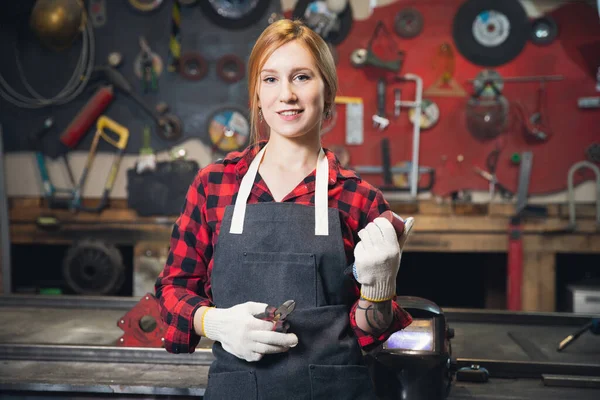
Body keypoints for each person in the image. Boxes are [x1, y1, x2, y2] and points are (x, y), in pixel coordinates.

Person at [155, 18, 415, 400]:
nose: (286, 95)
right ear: (257, 94)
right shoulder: (214, 185)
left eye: (302, 77)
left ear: (327, 91)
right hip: (238, 390)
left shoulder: (359, 199)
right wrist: (214, 322)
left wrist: (378, 291)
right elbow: (172, 290)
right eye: (271, 79)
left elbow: (370, 333)